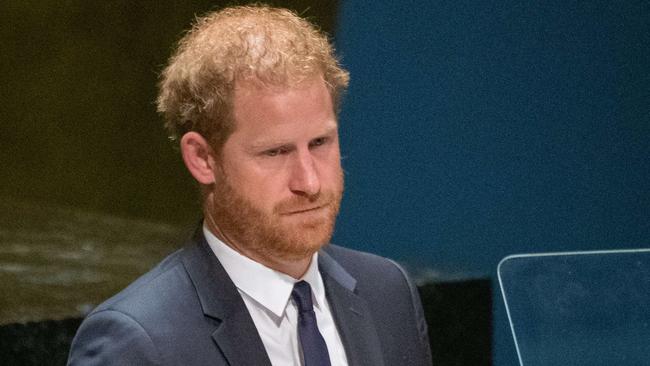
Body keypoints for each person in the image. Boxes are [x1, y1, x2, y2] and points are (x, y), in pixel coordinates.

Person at [67, 5, 432, 366]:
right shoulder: (136, 343)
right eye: (275, 152)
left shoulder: (388, 293)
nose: (310, 181)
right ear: (203, 159)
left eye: (320, 143)